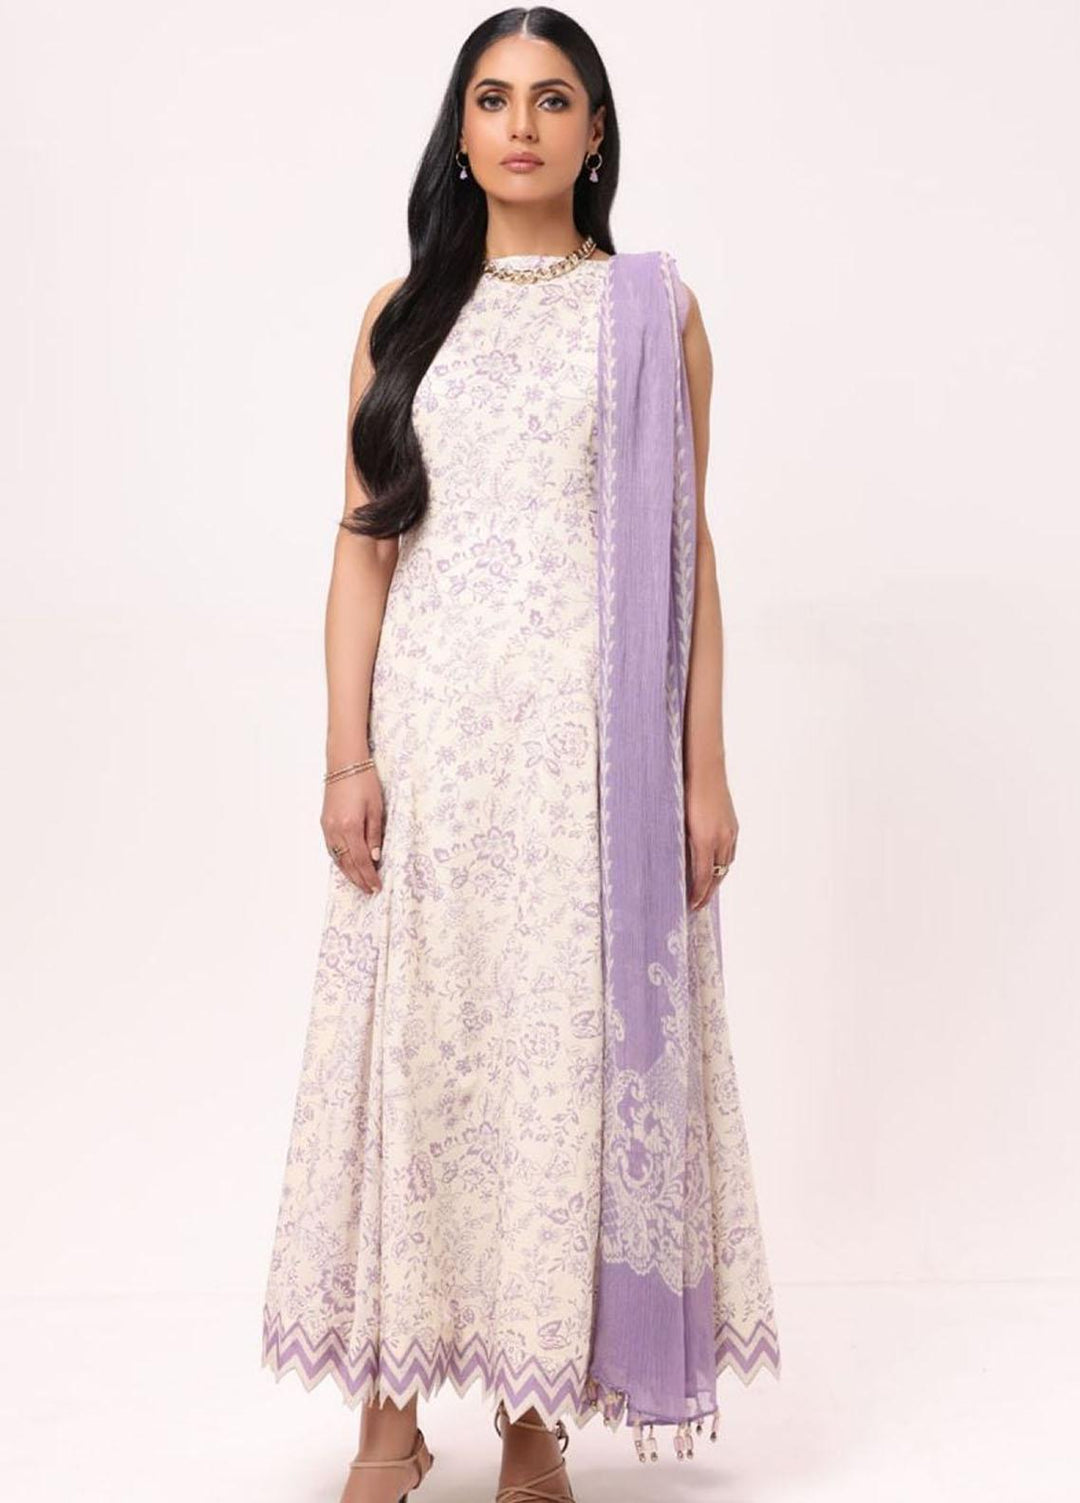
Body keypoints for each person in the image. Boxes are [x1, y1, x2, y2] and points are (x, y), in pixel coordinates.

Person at [261, 8, 781, 1501]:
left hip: (583, 769)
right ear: (462, 131)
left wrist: (702, 773)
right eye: (494, 100)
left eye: (555, 100)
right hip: (433, 752)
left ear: (596, 133)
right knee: (413, 1056)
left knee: (551, 1068)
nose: (523, 126)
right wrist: (345, 756)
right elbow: (364, 549)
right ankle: (387, 1414)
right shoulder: (402, 314)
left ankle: (533, 1414)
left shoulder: (652, 313)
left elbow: (685, 556)